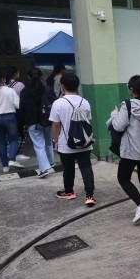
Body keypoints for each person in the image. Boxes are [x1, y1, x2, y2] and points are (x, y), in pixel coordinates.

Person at [109, 75, 140, 224]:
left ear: (131, 90)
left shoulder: (127, 105)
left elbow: (119, 126)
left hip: (131, 151)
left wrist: (114, 115)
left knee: (123, 178)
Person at [49, 73, 96, 206]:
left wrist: (56, 141)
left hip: (66, 143)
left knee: (68, 169)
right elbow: (87, 121)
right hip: (84, 142)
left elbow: (56, 124)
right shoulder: (85, 102)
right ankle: (90, 196)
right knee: (86, 167)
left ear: (62, 86)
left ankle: (69, 192)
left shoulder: (58, 103)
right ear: (77, 85)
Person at [19, 67, 56, 178]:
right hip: (47, 121)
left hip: (33, 122)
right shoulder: (48, 89)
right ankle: (51, 163)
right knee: (49, 143)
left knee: (39, 146)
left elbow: (22, 109)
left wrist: (22, 124)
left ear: (29, 77)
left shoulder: (24, 91)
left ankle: (44, 169)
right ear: (41, 76)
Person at [0, 68, 23, 172]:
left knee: (1, 142)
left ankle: (5, 166)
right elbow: (18, 105)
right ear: (2, 79)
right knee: (13, 139)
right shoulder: (9, 90)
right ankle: (11, 160)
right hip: (9, 117)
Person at [5, 65, 30, 162]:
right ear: (15, 74)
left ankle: (9, 153)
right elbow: (24, 99)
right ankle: (17, 154)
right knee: (21, 133)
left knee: (9, 135)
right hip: (18, 113)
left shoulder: (4, 85)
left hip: (7, 112)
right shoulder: (19, 85)